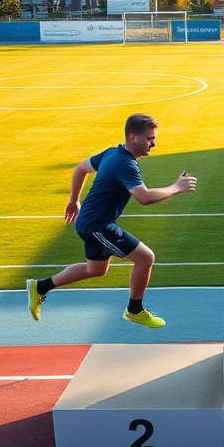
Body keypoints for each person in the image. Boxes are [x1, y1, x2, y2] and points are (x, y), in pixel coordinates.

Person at [26, 113, 197, 328]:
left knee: (96, 270)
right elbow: (144, 197)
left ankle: (40, 287)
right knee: (145, 258)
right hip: (97, 225)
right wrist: (176, 187)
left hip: (91, 222)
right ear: (133, 137)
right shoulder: (124, 163)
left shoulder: (112, 153)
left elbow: (81, 168)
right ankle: (135, 310)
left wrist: (73, 201)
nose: (154, 143)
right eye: (150, 138)